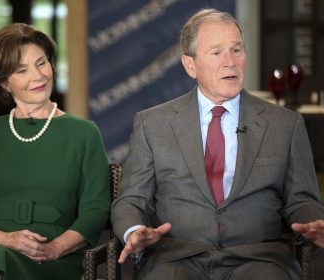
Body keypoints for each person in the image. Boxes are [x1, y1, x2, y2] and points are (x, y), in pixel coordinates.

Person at [111, 8, 324, 280]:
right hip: (176, 257)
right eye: (216, 53)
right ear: (190, 65)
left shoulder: (285, 124)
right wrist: (134, 230)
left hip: (259, 259)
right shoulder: (153, 124)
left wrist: (312, 221)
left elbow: (302, 200)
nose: (230, 62)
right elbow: (131, 199)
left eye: (236, 50)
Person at [0, 23, 111, 279]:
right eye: (22, 70)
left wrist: (54, 248)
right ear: (4, 83)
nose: (39, 76)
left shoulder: (84, 133)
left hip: (51, 258)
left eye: (42, 63)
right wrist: (4, 239)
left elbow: (96, 210)